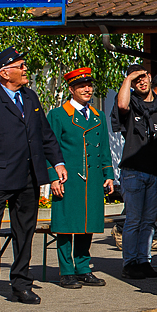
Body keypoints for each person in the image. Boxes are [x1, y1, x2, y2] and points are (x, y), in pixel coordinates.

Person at [0, 48, 66, 306]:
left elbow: (44, 134)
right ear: (5, 72)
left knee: (25, 234)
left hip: (28, 178)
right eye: (20, 66)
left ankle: (20, 284)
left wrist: (57, 162)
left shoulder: (30, 97)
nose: (25, 70)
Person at [46, 67, 114, 289]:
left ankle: (83, 268)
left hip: (92, 179)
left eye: (89, 85)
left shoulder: (98, 116)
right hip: (68, 179)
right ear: (71, 89)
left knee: (88, 224)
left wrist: (108, 175)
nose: (87, 89)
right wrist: (53, 177)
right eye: (81, 86)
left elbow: (104, 148)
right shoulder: (58, 115)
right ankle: (66, 271)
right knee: (66, 225)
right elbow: (49, 148)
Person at [112, 65, 157, 280]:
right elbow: (121, 105)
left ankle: (144, 260)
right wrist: (128, 79)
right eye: (135, 80)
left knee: (148, 220)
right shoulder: (130, 102)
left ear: (150, 77)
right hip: (133, 171)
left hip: (155, 172)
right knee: (134, 219)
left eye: (143, 77)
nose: (140, 82)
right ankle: (129, 263)